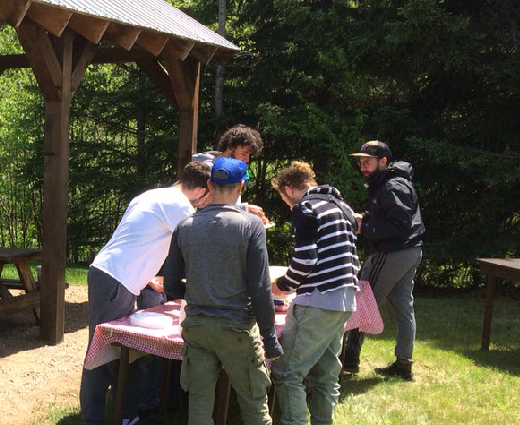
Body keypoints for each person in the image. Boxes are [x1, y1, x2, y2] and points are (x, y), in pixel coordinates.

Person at [80, 161, 212, 425]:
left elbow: (134, 238)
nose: (208, 202)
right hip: (116, 278)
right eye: (210, 195)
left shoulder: (154, 195)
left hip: (113, 274)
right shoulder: (180, 206)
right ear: (201, 190)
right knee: (103, 352)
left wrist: (147, 274)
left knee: (120, 349)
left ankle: (126, 414)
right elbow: (196, 244)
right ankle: (95, 419)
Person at [163, 157, 282, 425]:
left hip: (197, 327)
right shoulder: (251, 225)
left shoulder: (185, 227)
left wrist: (198, 298)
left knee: (199, 408)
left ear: (209, 184)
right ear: (241, 186)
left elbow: (170, 284)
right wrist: (270, 338)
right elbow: (260, 287)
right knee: (254, 406)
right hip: (236, 328)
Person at [269, 161, 360, 424]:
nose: (288, 206)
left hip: (318, 301)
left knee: (287, 373)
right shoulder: (342, 207)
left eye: (284, 199)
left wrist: (280, 286)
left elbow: (306, 260)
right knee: (325, 375)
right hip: (345, 300)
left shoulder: (306, 208)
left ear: (288, 189)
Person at [341, 141, 425, 380]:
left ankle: (348, 360)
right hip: (410, 252)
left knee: (361, 301)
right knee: (402, 308)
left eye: (367, 162)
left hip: (392, 253)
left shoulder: (392, 186)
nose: (363, 167)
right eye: (361, 162)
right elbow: (390, 216)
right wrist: (365, 217)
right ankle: (403, 365)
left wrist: (362, 227)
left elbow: (398, 225)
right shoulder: (390, 182)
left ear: (384, 161)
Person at [191, 124, 269, 222]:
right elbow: (207, 205)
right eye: (244, 154)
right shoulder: (208, 170)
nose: (247, 159)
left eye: (249, 155)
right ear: (230, 148)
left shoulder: (236, 168)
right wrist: (245, 209)